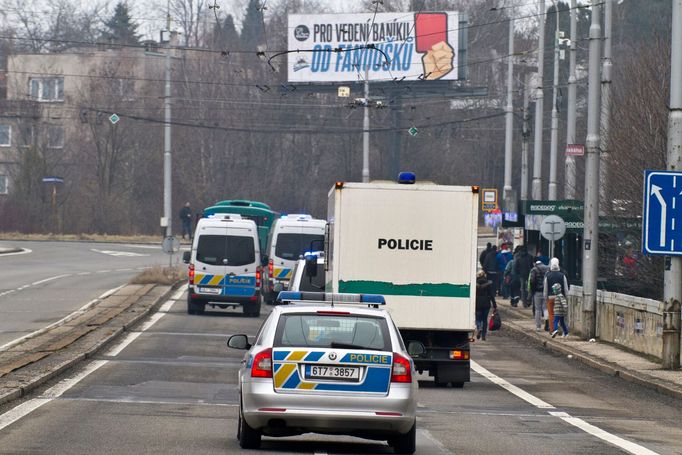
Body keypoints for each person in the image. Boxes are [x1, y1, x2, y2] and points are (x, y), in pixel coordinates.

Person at [543, 257, 569, 334]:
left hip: (550, 297)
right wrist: (566, 298)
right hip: (561, 297)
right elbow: (566, 288)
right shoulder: (562, 275)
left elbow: (545, 288)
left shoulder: (547, 275)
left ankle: (553, 330)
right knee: (561, 314)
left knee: (551, 314)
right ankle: (562, 330)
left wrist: (545, 298)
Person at [475, 270, 497, 341]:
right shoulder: (488, 284)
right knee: (484, 320)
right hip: (486, 304)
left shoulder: (475, 284)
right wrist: (494, 305)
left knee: (478, 318)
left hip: (478, 304)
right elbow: (491, 295)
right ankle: (483, 336)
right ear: (484, 275)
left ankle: (479, 328)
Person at [528, 260, 549, 330]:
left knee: (538, 309)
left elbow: (531, 281)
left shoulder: (534, 270)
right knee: (545, 308)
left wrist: (532, 290)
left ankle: (538, 326)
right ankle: (547, 323)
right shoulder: (547, 268)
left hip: (537, 292)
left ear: (535, 263)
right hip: (546, 291)